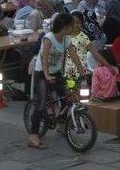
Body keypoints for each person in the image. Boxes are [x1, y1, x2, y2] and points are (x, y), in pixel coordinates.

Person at [28, 13, 84, 149]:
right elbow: (44, 58)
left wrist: (83, 70)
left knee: (67, 98)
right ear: (65, 26)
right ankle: (33, 135)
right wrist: (47, 75)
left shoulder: (66, 39)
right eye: (72, 25)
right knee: (41, 104)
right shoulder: (49, 38)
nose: (74, 27)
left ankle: (61, 123)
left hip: (57, 72)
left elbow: (74, 55)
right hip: (42, 72)